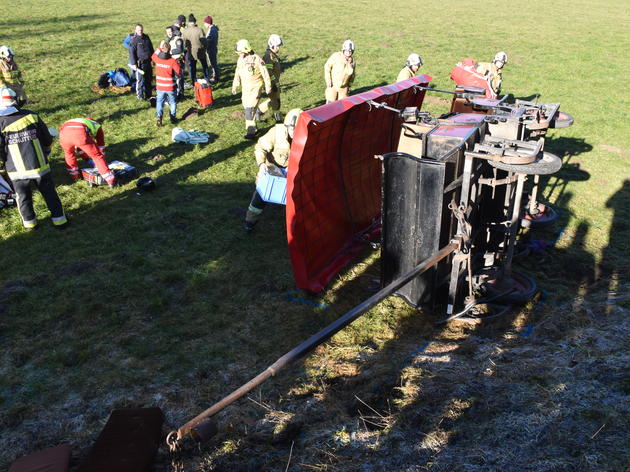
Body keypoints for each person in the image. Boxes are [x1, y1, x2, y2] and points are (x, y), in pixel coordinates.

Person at [0, 87, 68, 229]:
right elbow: (47, 139)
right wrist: (47, 152)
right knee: (49, 193)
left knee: (23, 197)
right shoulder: (32, 116)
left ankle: (30, 224)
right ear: (16, 101)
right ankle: (60, 221)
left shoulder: (0, 122)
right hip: (39, 165)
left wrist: (2, 165)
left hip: (16, 170)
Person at [244, 108, 302, 232]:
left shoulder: (305, 136)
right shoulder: (276, 132)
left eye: (298, 129)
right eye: (292, 128)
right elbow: (260, 148)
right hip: (271, 171)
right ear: (287, 126)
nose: (294, 132)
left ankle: (294, 226)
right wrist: (261, 164)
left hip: (291, 173)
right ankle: (250, 223)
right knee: (260, 197)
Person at [232, 40, 272, 139]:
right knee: (247, 108)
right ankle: (261, 110)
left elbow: (265, 73)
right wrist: (235, 85)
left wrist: (268, 86)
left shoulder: (257, 59)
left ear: (246, 50)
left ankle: (251, 132)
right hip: (245, 88)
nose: (239, 55)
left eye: (240, 53)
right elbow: (237, 72)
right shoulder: (240, 60)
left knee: (249, 109)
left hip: (256, 86)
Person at [59, 117, 116, 187]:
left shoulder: (77, 120)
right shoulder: (97, 126)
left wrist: (87, 159)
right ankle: (110, 179)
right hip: (79, 133)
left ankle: (74, 176)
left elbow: (80, 148)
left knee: (69, 154)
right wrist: (102, 158)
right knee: (97, 156)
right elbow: (101, 145)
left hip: (63, 133)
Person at [152, 41, 181, 126]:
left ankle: (159, 118)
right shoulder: (173, 61)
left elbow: (153, 56)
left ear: (162, 49)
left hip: (160, 86)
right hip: (170, 87)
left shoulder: (157, 59)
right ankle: (173, 118)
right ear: (170, 50)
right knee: (172, 102)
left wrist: (159, 47)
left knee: (159, 102)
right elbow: (179, 72)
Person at [259, 34, 283, 122]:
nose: (279, 48)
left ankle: (260, 111)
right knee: (275, 101)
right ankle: (278, 119)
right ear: (272, 45)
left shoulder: (273, 55)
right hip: (272, 83)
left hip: (275, 82)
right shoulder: (269, 56)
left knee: (275, 100)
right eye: (278, 46)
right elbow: (268, 72)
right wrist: (274, 84)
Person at [128, 24, 154, 100]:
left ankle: (148, 95)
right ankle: (140, 96)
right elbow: (131, 52)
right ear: (135, 30)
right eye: (139, 30)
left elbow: (151, 48)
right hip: (140, 64)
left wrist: (153, 59)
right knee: (140, 81)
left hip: (148, 63)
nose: (140, 31)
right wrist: (134, 63)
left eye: (141, 30)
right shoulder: (134, 40)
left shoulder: (146, 37)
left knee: (148, 80)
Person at [182, 14, 209, 84]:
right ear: (195, 22)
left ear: (188, 22)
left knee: (193, 67)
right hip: (201, 50)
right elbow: (204, 41)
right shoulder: (200, 30)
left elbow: (184, 43)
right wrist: (205, 48)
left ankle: (194, 81)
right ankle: (207, 79)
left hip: (191, 51)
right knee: (204, 65)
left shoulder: (185, 31)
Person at [166, 26, 185, 99]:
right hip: (172, 62)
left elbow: (179, 49)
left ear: (173, 31)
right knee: (175, 78)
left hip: (178, 61)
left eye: (170, 32)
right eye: (167, 32)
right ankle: (176, 93)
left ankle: (180, 94)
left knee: (179, 78)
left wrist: (170, 52)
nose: (169, 33)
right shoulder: (170, 40)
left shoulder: (178, 39)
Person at [203, 15, 220, 83]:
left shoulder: (212, 30)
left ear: (208, 23)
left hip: (211, 49)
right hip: (212, 48)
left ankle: (216, 77)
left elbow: (210, 40)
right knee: (213, 63)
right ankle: (216, 76)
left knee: (213, 64)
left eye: (205, 23)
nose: (204, 24)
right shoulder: (212, 29)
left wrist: (205, 40)